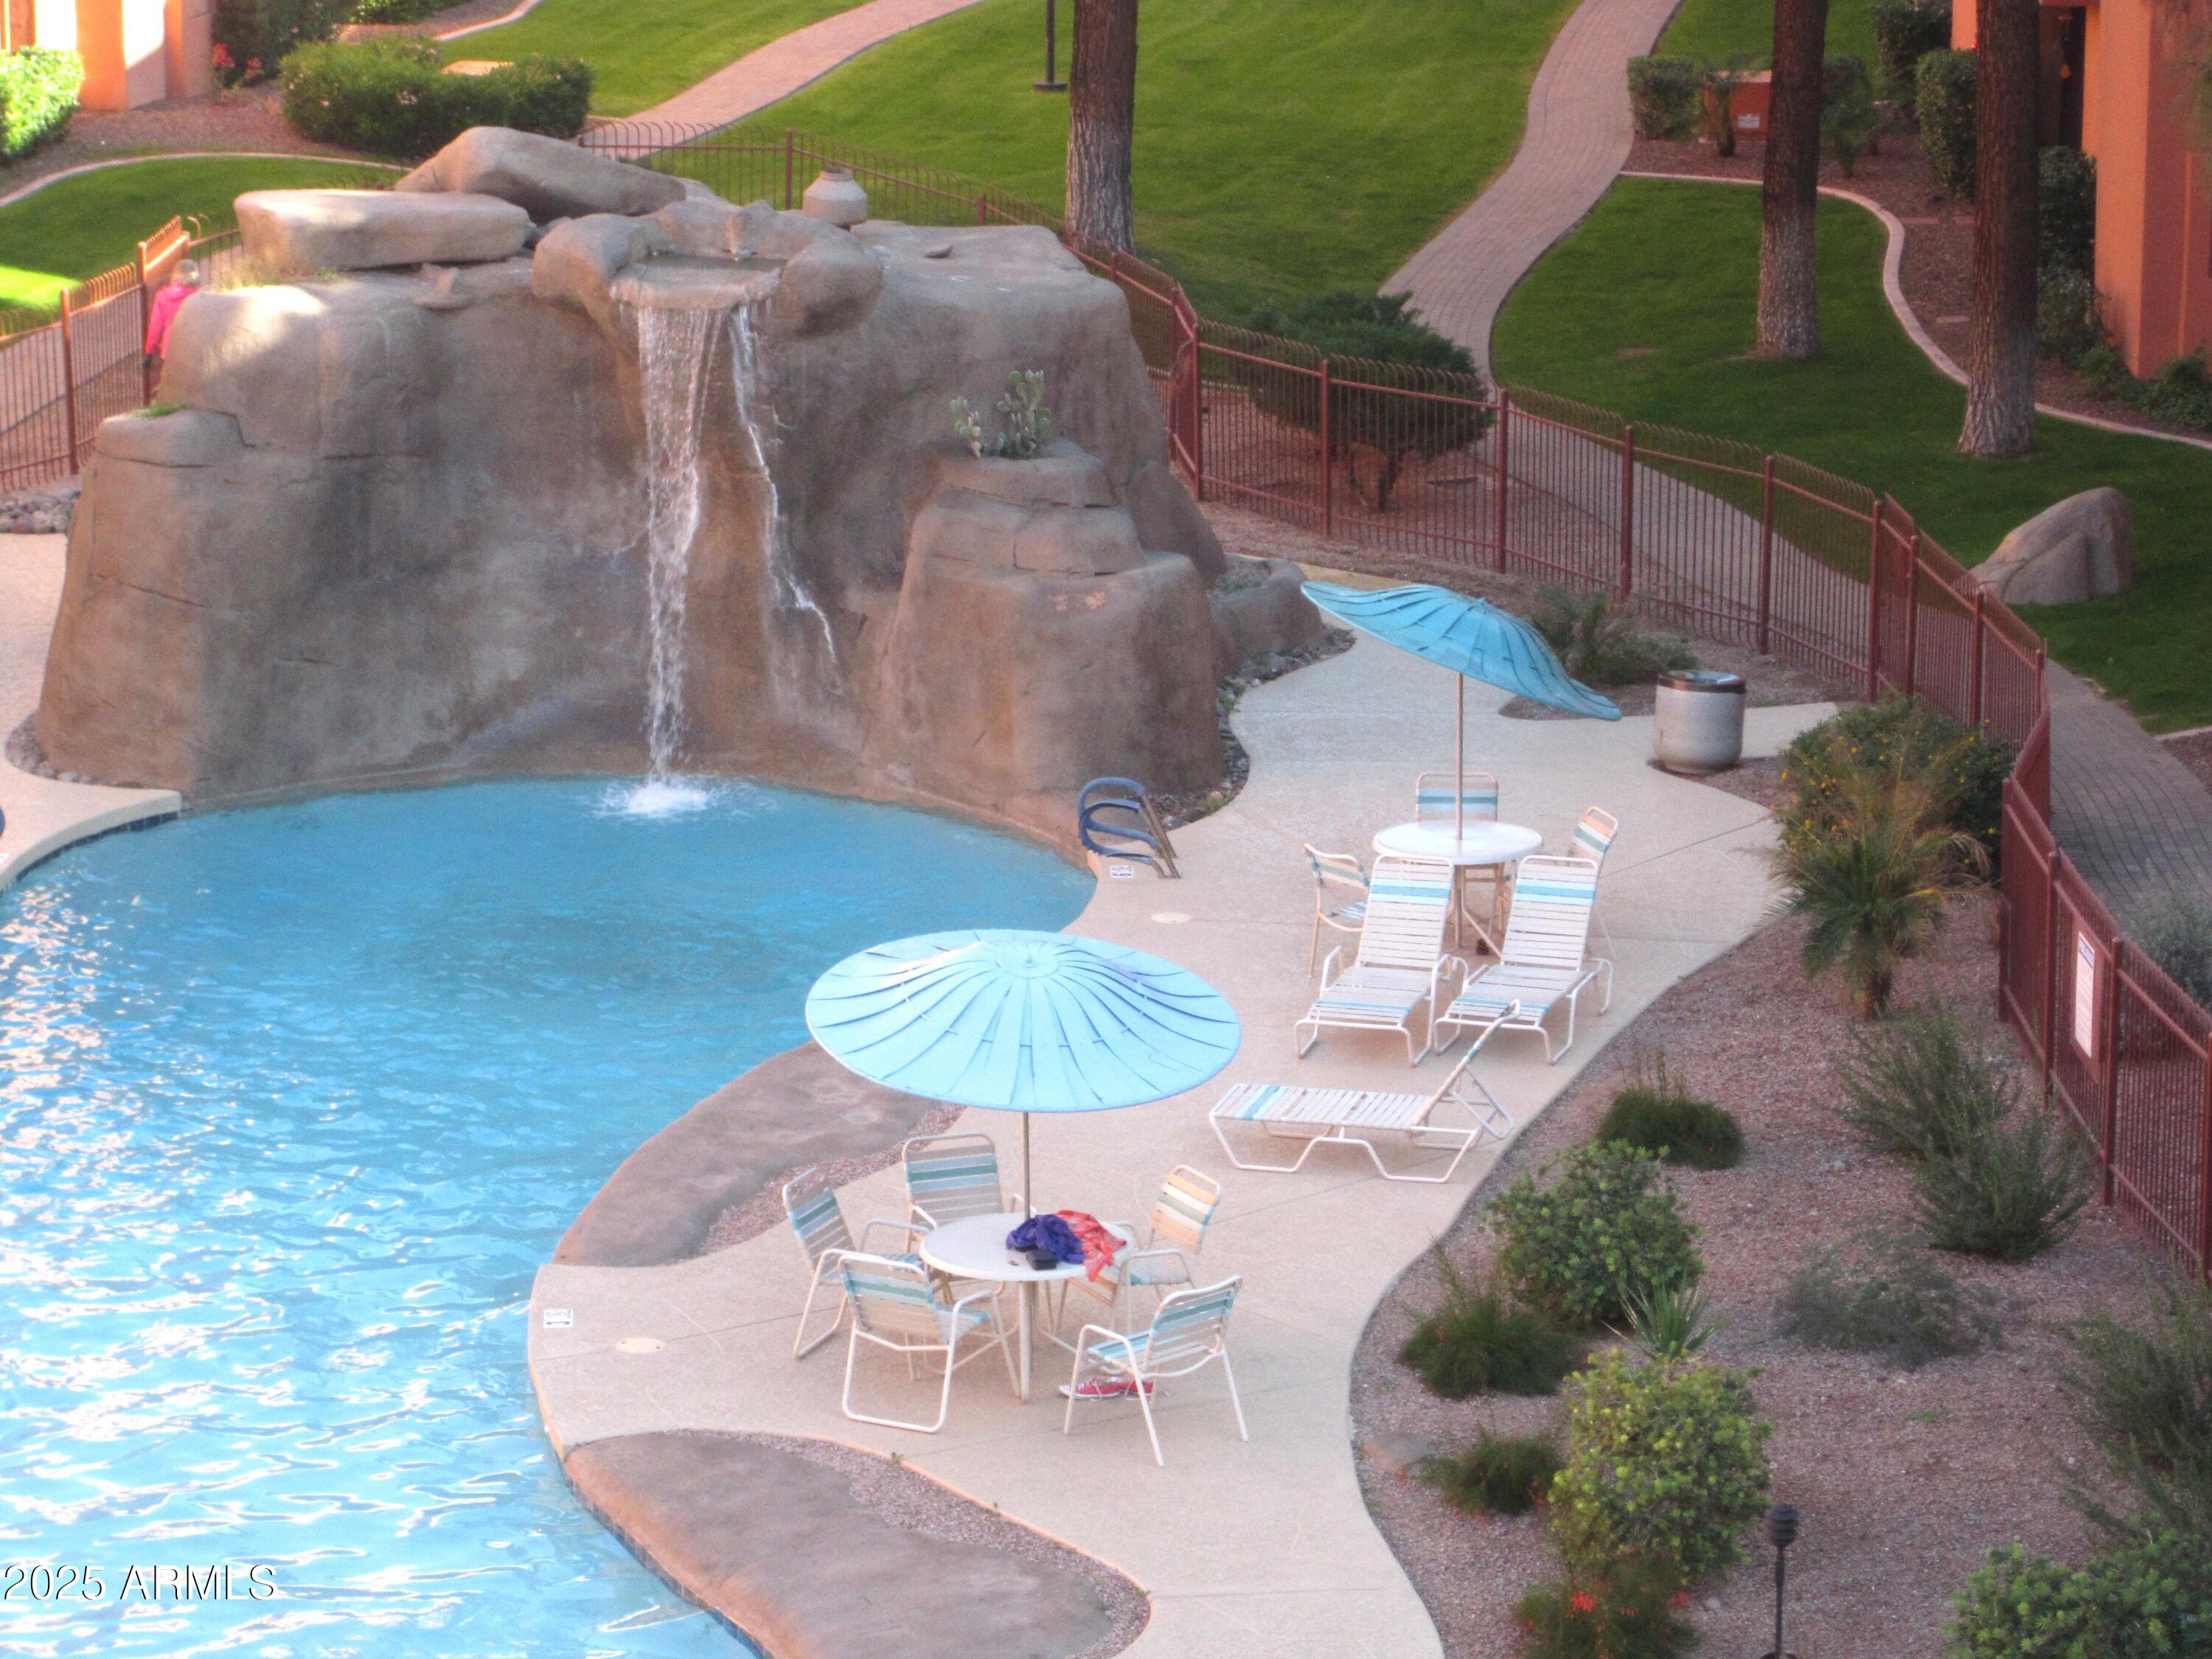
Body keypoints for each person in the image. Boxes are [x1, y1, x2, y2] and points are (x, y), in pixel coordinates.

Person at [145, 260, 202, 361]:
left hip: (170, 350)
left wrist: (149, 351)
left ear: (174, 276)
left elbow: (156, 326)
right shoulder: (201, 296)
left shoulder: (163, 296)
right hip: (195, 350)